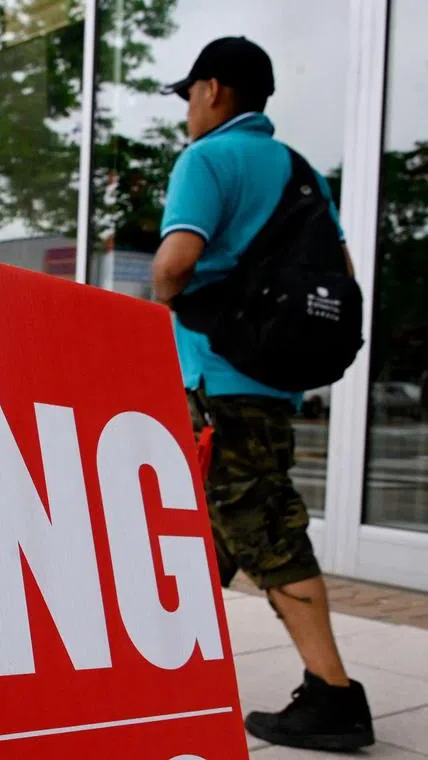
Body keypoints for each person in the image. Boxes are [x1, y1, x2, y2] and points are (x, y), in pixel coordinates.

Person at [151, 36, 375, 752]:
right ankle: (167, 664)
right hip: (271, 383)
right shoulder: (299, 171)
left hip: (221, 385)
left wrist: (166, 301)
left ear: (213, 90)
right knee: (211, 527)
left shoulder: (206, 159)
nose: (188, 108)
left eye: (190, 93)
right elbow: (341, 272)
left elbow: (174, 265)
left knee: (267, 530)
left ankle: (333, 696)